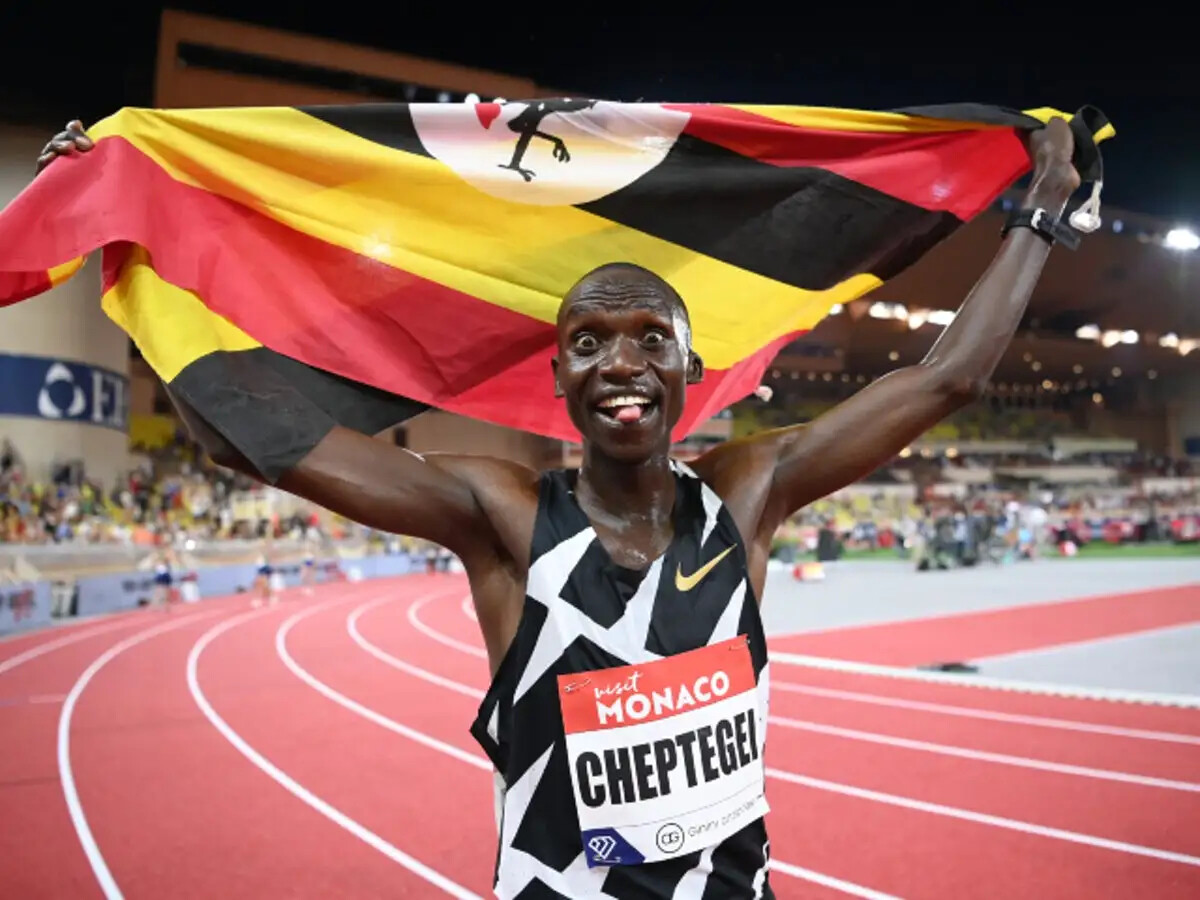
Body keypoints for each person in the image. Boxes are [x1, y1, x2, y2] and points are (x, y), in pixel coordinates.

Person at [38, 116, 1081, 898]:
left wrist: (1041, 208)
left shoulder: (747, 492)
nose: (621, 361)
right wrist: (124, 230)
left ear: (690, 370)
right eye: (588, 342)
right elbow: (256, 440)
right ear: (557, 381)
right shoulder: (499, 513)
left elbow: (945, 379)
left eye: (649, 338)